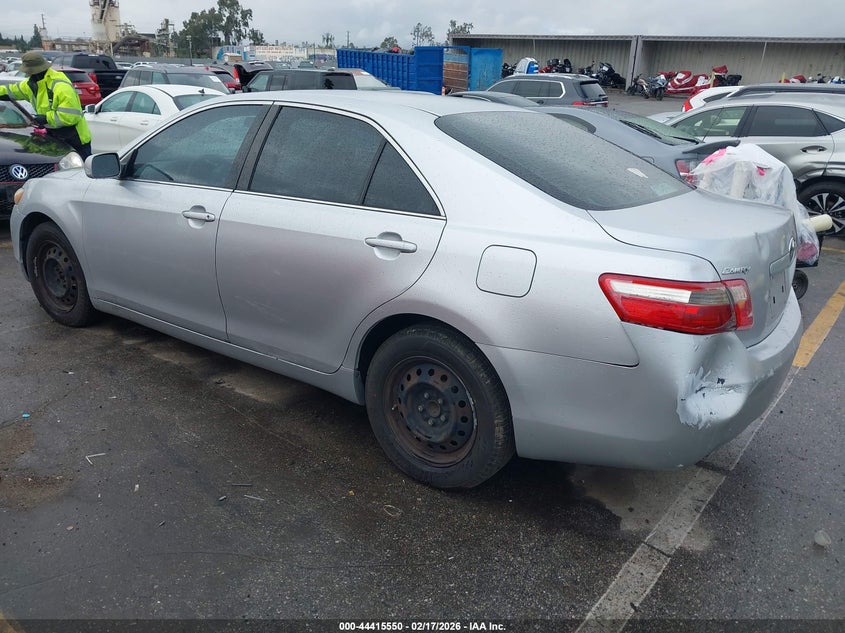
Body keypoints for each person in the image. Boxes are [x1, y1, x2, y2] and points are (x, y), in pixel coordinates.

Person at [0, 51, 92, 158]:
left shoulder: (60, 86)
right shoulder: (32, 84)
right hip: (53, 139)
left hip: (75, 140)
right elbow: (11, 90)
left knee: (81, 172)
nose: (27, 74)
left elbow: (72, 116)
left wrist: (46, 118)